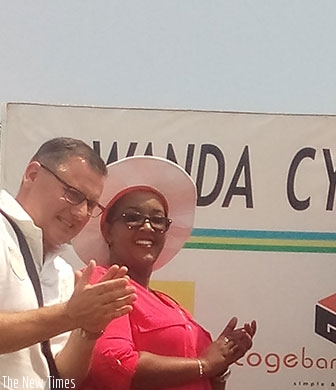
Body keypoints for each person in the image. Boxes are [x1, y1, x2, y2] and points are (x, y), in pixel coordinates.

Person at [71, 155, 256, 390]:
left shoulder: (169, 304)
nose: (147, 227)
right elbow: (112, 364)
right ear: (108, 231)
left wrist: (219, 367)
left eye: (158, 220)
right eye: (132, 218)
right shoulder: (103, 282)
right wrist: (204, 364)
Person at [0, 137, 137, 389]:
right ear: (32, 174)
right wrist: (69, 315)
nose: (81, 213)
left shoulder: (63, 272)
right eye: (73, 194)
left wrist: (88, 330)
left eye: (91, 204)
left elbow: (64, 378)